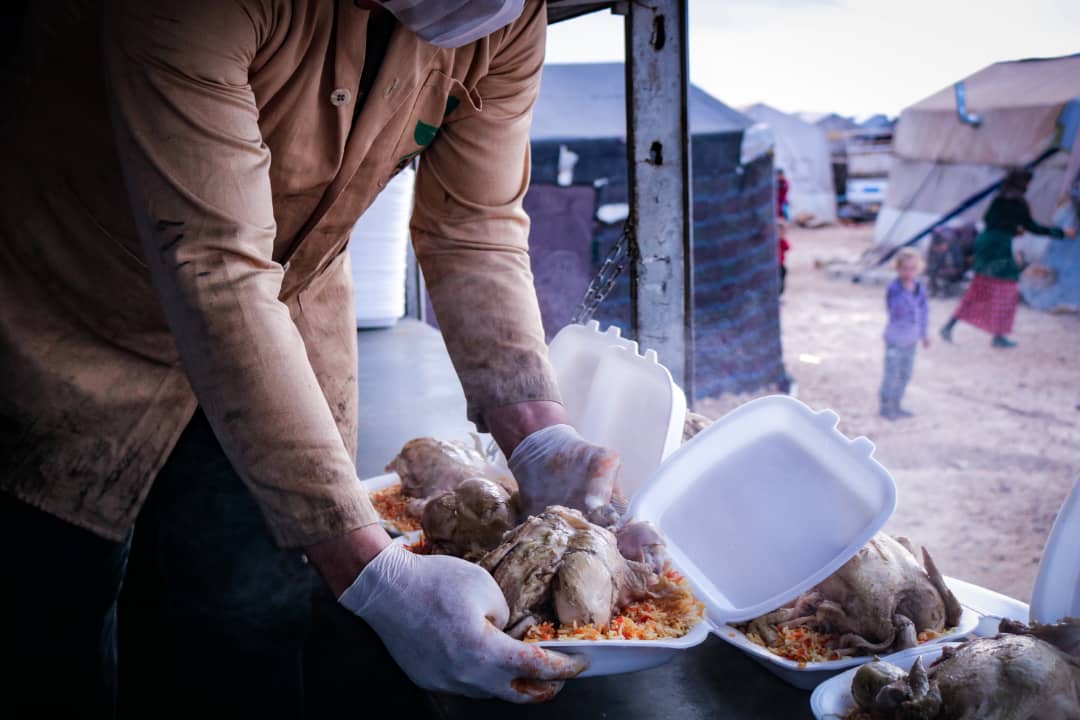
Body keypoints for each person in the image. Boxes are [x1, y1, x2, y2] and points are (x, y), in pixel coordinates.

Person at [0, 1, 623, 717]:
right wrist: (376, 579)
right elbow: (216, 266)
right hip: (73, 314)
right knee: (51, 614)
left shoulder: (509, 20)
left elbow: (475, 229)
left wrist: (540, 437)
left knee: (249, 615)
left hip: (282, 329)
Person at [939, 168, 1077, 347]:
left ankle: (950, 326)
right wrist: (1062, 232)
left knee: (979, 289)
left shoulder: (999, 198)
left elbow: (990, 220)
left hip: (985, 242)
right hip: (998, 247)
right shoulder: (1018, 202)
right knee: (1007, 290)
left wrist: (1011, 229)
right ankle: (998, 336)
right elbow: (1033, 227)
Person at [880, 248, 930, 420]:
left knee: (905, 373)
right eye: (905, 268)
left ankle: (897, 404)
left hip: (911, 339)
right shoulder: (895, 289)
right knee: (891, 373)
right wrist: (905, 293)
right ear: (898, 269)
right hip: (895, 338)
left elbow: (924, 312)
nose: (908, 273)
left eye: (912, 269)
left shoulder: (919, 289)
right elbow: (895, 310)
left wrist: (924, 334)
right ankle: (886, 406)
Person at [778, 219, 792, 295]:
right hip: (775, 265)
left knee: (782, 275)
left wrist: (782, 239)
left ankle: (780, 293)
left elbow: (788, 247)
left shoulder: (782, 241)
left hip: (781, 264)